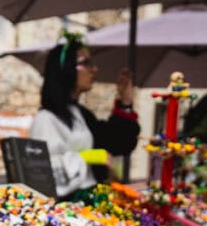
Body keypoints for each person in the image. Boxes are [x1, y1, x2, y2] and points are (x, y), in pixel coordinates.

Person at [27, 33, 140, 199]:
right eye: (85, 63)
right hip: (64, 210)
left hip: (89, 202)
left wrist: (125, 101)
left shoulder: (79, 114)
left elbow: (115, 142)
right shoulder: (46, 119)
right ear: (66, 69)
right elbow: (42, 172)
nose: (94, 69)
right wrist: (87, 157)